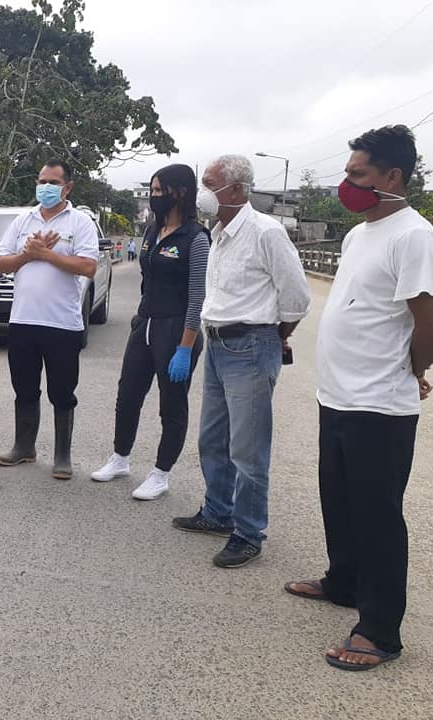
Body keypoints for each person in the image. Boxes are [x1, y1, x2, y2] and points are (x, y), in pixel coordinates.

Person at [285, 126, 433, 671]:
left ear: (392, 177)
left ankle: (380, 630)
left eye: (357, 174)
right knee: (340, 501)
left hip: (379, 404)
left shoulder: (413, 236)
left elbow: (428, 320)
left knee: (377, 517)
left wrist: (414, 368)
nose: (346, 183)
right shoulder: (358, 234)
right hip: (338, 395)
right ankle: (343, 581)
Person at [172, 154, 310, 568]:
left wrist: (274, 338)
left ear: (235, 189)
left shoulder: (265, 232)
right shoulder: (219, 232)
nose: (203, 191)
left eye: (210, 183)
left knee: (248, 450)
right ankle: (218, 512)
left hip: (250, 345)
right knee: (212, 439)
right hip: (218, 344)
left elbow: (297, 298)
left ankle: (248, 533)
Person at [91, 164, 209, 500]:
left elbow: (197, 296)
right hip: (145, 323)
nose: (154, 196)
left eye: (159, 191)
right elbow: (148, 279)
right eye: (152, 190)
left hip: (177, 329)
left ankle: (161, 473)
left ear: (180, 192)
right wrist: (139, 320)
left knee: (171, 405)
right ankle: (120, 458)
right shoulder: (152, 231)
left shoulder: (196, 238)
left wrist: (185, 347)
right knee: (128, 395)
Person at [0, 159, 99, 479]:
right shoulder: (23, 220)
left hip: (62, 323)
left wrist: (47, 255)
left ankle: (62, 456)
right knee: (24, 388)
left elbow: (88, 267)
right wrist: (27, 255)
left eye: (53, 182)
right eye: (42, 181)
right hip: (23, 320)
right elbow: (1, 264)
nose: (46, 187)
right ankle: (24, 447)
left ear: (68, 187)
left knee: (62, 392)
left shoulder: (79, 222)